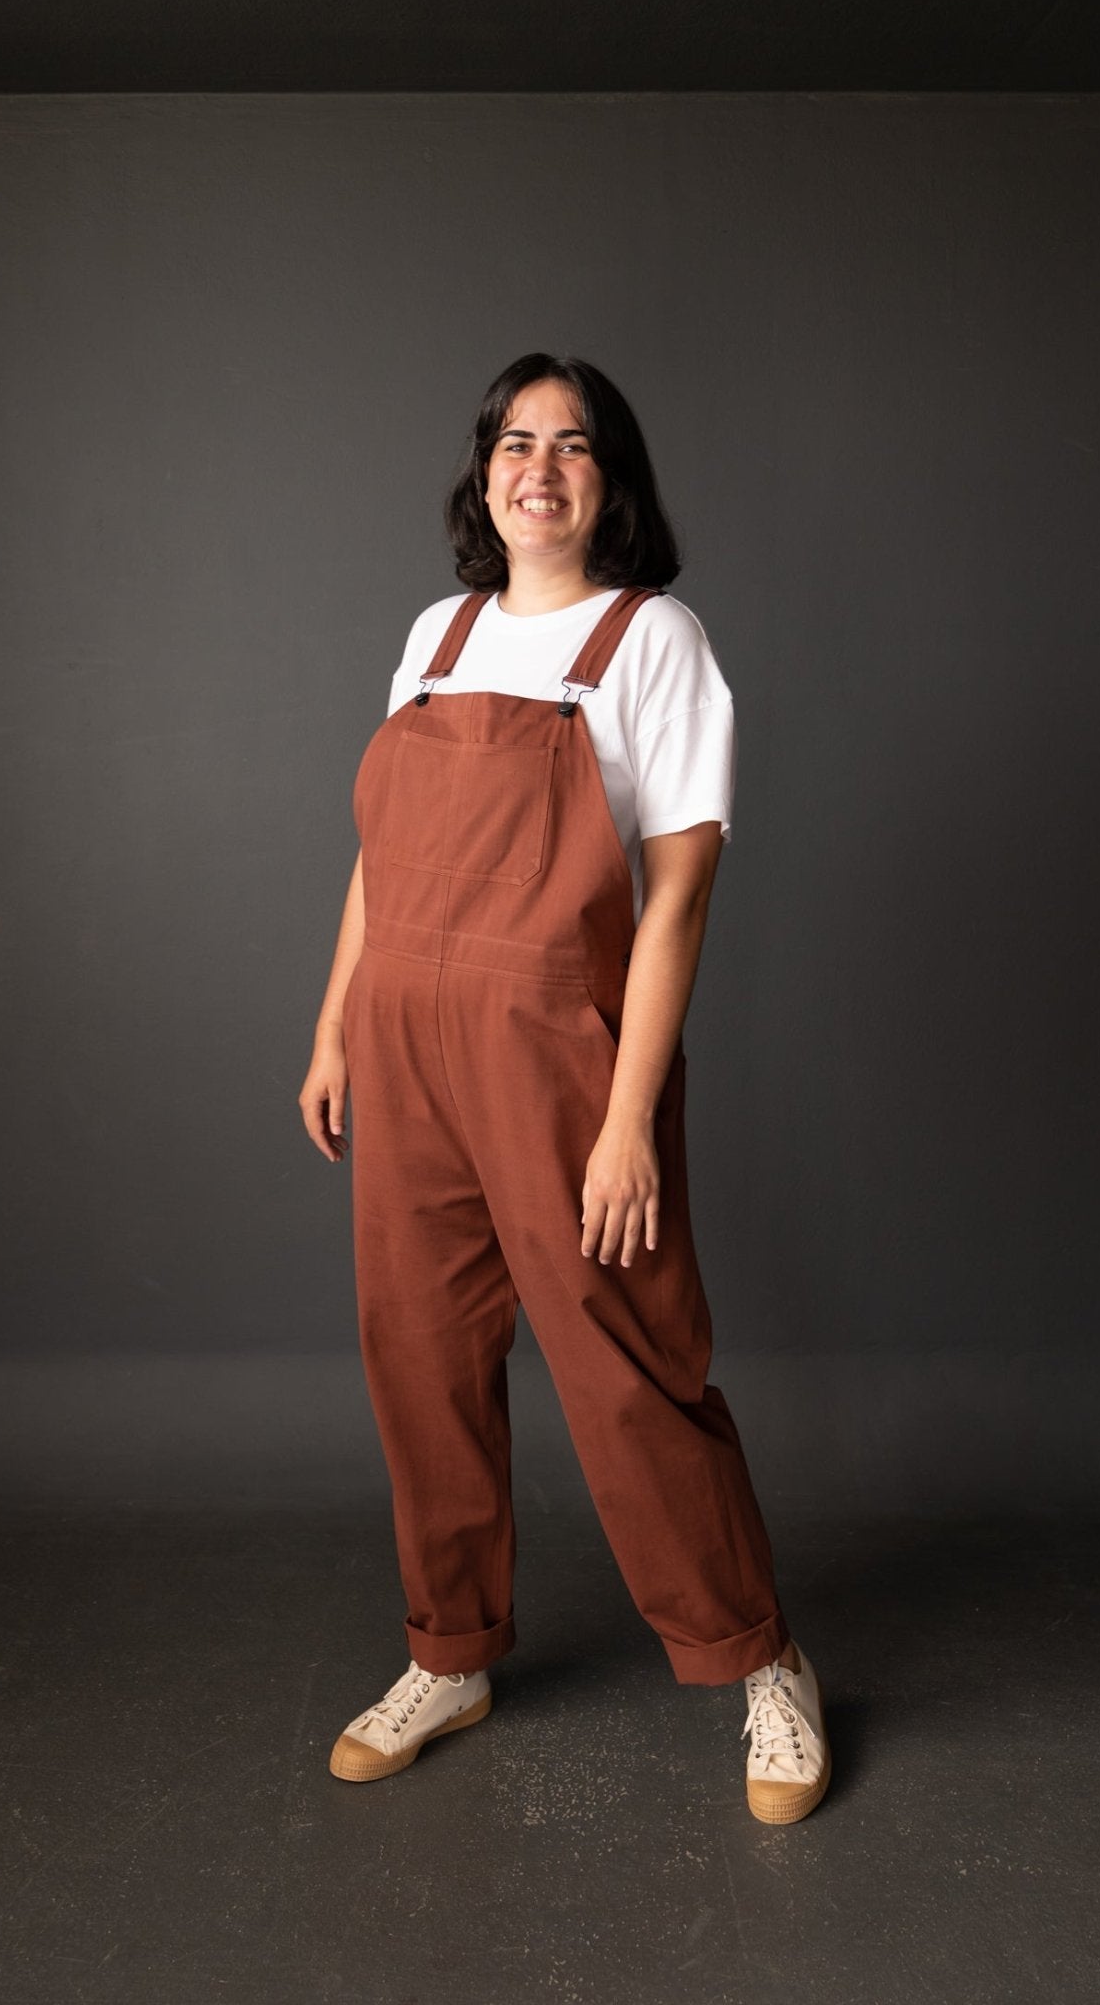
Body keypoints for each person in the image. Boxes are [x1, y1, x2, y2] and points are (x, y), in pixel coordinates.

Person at [298, 353, 831, 1825]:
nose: (540, 469)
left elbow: (676, 902)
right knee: (418, 1358)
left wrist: (625, 1121)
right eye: (516, 443)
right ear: (484, 475)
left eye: (574, 445)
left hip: (559, 1062)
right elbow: (381, 860)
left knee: (626, 1370)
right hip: (404, 1048)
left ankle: (761, 1658)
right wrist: (334, 1027)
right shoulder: (439, 633)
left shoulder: (653, 641)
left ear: (612, 480)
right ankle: (448, 1654)